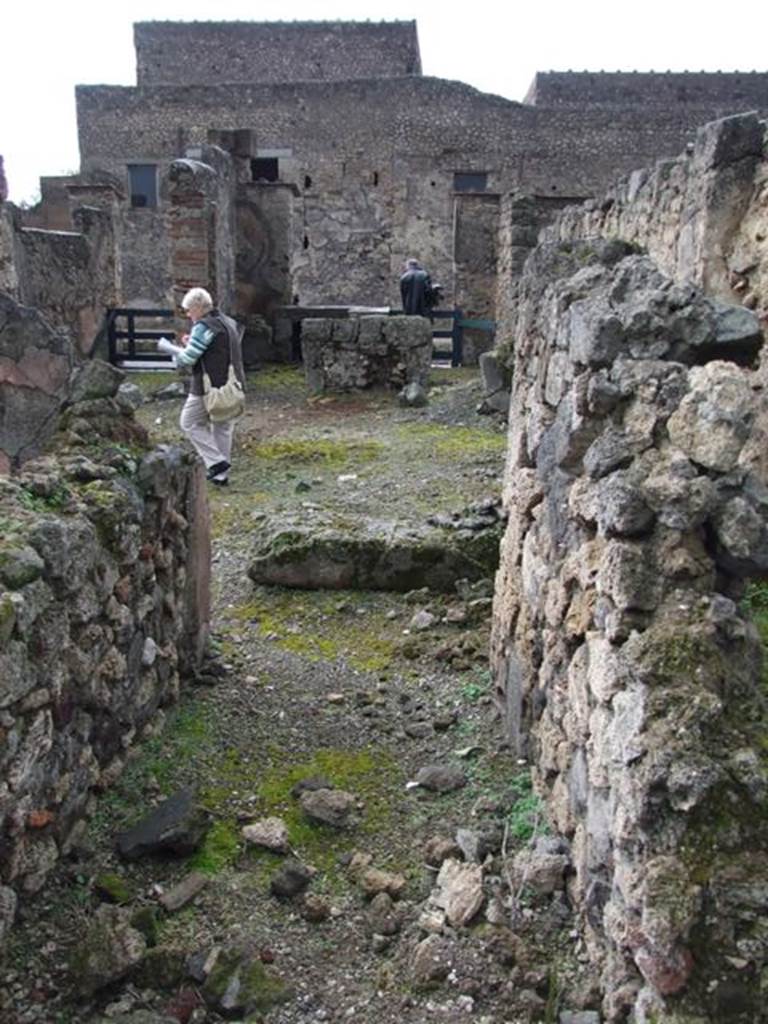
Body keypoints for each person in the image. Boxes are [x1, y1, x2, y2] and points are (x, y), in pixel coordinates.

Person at [175, 287, 245, 487]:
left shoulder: (203, 326)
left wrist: (178, 352)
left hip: (208, 386)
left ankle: (216, 462)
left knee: (189, 422)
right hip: (232, 384)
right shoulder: (227, 322)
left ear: (198, 307)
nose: (188, 315)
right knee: (223, 427)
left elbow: (189, 358)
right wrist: (192, 342)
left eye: (189, 310)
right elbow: (217, 347)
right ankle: (221, 475)